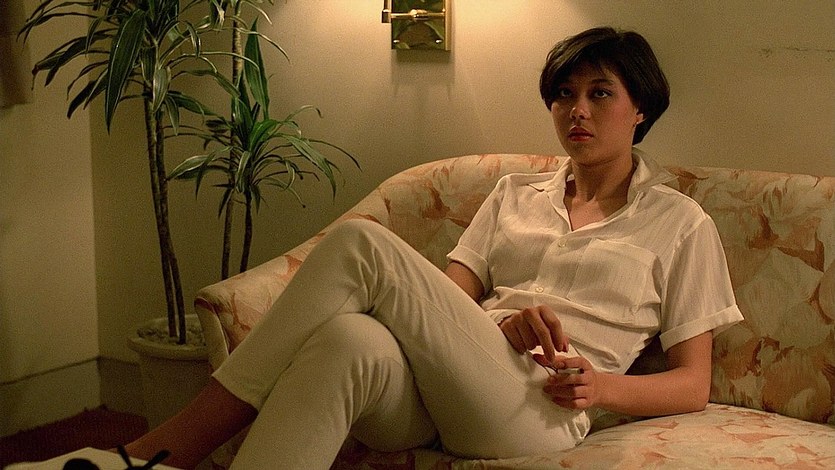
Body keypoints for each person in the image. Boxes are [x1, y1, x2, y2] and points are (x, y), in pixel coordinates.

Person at [124, 26, 743, 469]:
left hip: (542, 408)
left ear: (640, 109)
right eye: (563, 94)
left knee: (360, 243)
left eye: (599, 93)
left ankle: (169, 449)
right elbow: (445, 302)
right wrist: (494, 330)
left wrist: (600, 386)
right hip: (454, 386)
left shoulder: (679, 222)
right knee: (348, 341)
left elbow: (692, 383)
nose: (576, 110)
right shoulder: (515, 194)